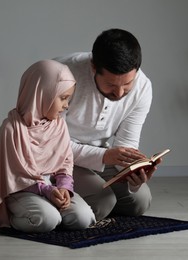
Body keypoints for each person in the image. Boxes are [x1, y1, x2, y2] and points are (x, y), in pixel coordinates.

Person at [54, 28, 161, 220]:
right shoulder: (63, 74)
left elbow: (126, 144)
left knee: (140, 200)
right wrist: (105, 156)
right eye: (111, 85)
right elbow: (53, 144)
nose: (119, 93)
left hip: (101, 157)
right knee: (103, 201)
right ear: (94, 67)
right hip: (59, 158)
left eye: (127, 85)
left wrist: (134, 173)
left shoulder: (143, 87)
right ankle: (53, 194)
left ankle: (82, 199)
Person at [0, 59, 96, 233]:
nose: (66, 105)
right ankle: (15, 215)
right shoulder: (11, 129)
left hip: (53, 188)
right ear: (41, 93)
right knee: (47, 220)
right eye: (63, 98)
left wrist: (64, 188)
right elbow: (16, 176)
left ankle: (51, 209)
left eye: (68, 99)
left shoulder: (59, 125)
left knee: (83, 218)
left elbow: (65, 164)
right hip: (22, 189)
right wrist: (47, 191)